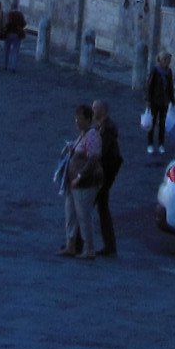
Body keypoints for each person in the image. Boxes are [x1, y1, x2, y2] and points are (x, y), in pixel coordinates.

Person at [61, 103, 102, 258]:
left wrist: (79, 176)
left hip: (85, 183)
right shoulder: (83, 135)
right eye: (76, 119)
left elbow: (93, 159)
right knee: (71, 214)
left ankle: (88, 249)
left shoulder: (92, 135)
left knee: (83, 216)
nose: (77, 122)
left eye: (79, 119)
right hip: (74, 183)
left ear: (88, 119)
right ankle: (70, 245)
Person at [90, 99, 122, 258]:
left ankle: (78, 243)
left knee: (87, 205)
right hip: (106, 173)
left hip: (103, 174)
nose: (92, 111)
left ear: (102, 111)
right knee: (101, 207)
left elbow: (100, 151)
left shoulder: (106, 130)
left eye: (94, 108)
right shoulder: (104, 128)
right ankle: (109, 246)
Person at [146, 50, 175, 155]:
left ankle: (161, 144)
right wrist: (148, 101)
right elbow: (149, 87)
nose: (168, 62)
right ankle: (150, 144)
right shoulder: (155, 70)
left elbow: (170, 86)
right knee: (152, 123)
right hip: (154, 101)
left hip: (164, 102)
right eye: (167, 60)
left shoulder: (169, 72)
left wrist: (172, 100)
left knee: (162, 124)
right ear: (162, 60)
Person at [2, 2, 26, 70]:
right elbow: (24, 24)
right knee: (15, 51)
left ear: (11, 7)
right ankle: (13, 67)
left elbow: (6, 24)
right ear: (17, 7)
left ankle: (5, 66)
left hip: (9, 34)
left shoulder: (9, 14)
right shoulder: (20, 14)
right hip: (17, 34)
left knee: (7, 50)